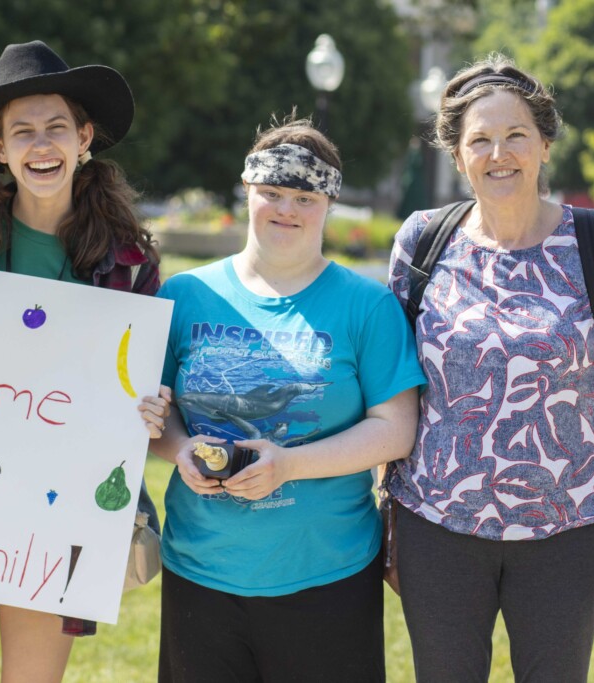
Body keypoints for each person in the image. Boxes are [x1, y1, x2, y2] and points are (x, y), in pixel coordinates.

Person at [387, 54, 594, 682]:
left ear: (543, 145)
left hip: (565, 531)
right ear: (458, 157)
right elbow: (395, 392)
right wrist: (390, 523)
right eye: (478, 139)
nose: (498, 153)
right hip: (436, 527)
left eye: (515, 135)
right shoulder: (422, 241)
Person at [0, 40, 169, 682]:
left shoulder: (128, 262)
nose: (41, 144)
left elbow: (140, 377)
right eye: (22, 131)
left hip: (62, 504)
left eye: (56, 127)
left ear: (84, 138)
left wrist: (154, 404)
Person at [149, 114, 426, 683]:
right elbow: (157, 412)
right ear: (247, 191)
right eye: (272, 192)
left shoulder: (366, 306)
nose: (287, 209)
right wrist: (178, 448)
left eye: (305, 196)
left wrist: (290, 465)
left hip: (327, 571)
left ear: (328, 204)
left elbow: (396, 429)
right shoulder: (183, 295)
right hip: (201, 568)